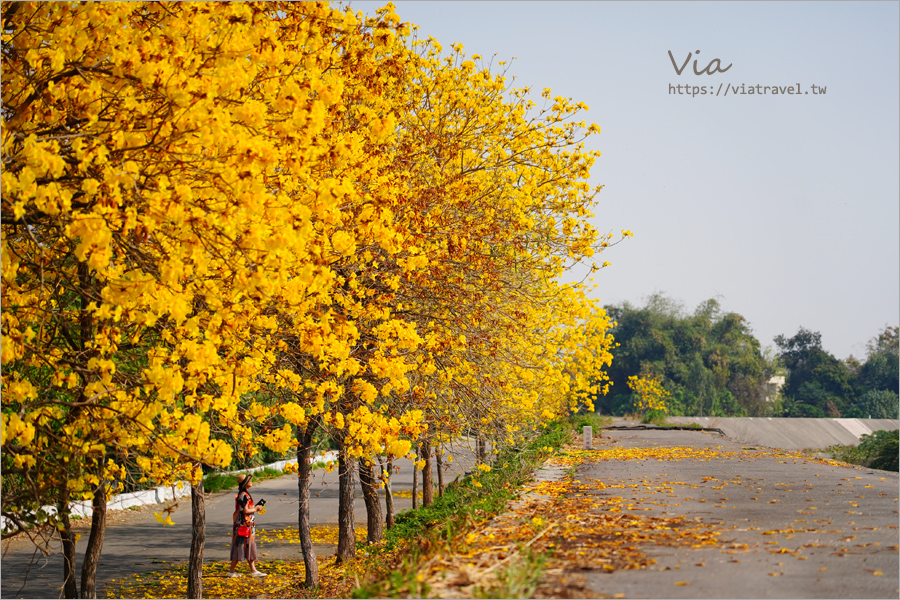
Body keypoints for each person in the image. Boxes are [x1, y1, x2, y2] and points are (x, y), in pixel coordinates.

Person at [228, 473, 267, 578]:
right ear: (245, 483)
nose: (251, 481)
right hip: (244, 525)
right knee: (242, 546)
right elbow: (245, 510)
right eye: (249, 480)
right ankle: (233, 571)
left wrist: (254, 507)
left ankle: (252, 570)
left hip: (246, 524)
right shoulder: (243, 495)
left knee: (246, 546)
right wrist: (256, 509)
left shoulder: (245, 494)